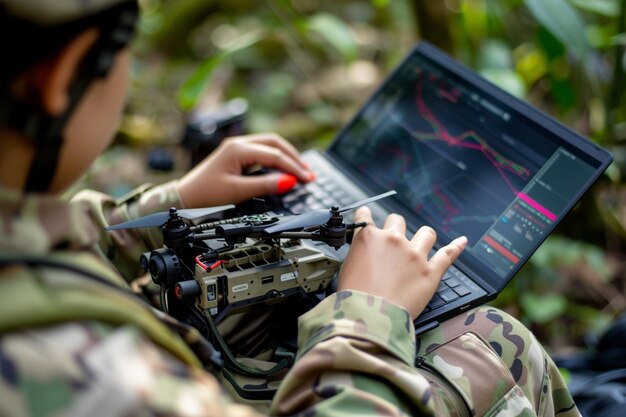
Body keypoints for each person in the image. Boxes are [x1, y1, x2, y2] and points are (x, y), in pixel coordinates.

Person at [0, 1, 581, 416]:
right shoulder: (99, 376)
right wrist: (365, 316)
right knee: (492, 341)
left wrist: (172, 205)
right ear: (67, 72)